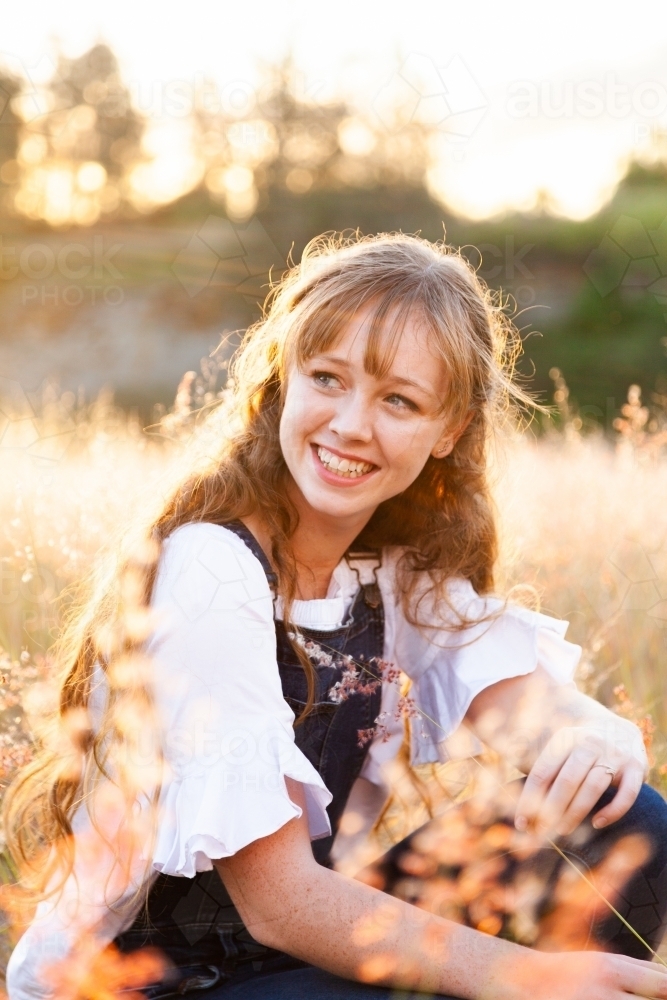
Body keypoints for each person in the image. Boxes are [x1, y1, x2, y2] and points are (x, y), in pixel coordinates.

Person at [4, 233, 667, 1000]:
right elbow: (278, 902)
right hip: (153, 983)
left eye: (398, 401)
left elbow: (531, 707)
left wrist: (592, 731)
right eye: (327, 378)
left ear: (447, 431)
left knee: (625, 819)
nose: (351, 424)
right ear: (283, 380)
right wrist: (523, 975)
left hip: (292, 965)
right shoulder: (210, 566)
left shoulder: (393, 575)